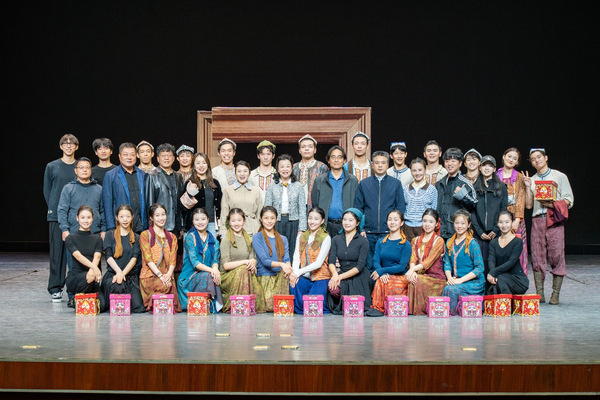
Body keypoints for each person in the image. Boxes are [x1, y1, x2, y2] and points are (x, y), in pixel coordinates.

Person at [524, 148, 574, 305]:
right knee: (537, 256)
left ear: (546, 158)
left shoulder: (559, 176)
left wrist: (553, 204)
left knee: (557, 255)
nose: (536, 160)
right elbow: (529, 205)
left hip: (554, 220)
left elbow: (569, 200)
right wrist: (527, 187)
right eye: (533, 159)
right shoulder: (532, 179)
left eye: (539, 157)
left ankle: (555, 293)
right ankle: (540, 293)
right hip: (537, 219)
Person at [57, 157, 105, 307]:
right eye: (81, 167)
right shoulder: (68, 188)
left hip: (94, 233)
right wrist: (64, 229)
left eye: (87, 167)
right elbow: (62, 210)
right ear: (76, 170)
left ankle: (92, 294)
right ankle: (73, 297)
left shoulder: (98, 189)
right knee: (74, 266)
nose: (84, 170)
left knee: (95, 264)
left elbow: (102, 210)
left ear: (91, 170)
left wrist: (103, 229)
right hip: (74, 232)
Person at [354, 151, 405, 272]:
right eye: (377, 163)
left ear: (388, 164)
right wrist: (361, 229)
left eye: (383, 162)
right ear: (372, 165)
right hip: (368, 233)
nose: (380, 165)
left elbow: (400, 208)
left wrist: (396, 229)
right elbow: (358, 209)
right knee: (369, 265)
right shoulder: (364, 184)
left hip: (389, 232)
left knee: (388, 264)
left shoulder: (396, 184)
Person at [44, 133, 78, 303]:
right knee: (57, 254)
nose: (68, 145)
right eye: (65, 143)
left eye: (72, 143)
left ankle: (76, 287)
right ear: (61, 146)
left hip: (76, 217)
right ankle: (55, 288)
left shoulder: (80, 166)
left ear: (76, 147)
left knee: (76, 254)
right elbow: (47, 190)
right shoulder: (52, 166)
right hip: (57, 216)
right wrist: (54, 210)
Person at [326, 208, 372, 315]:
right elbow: (331, 261)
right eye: (345, 219)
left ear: (358, 223)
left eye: (350, 220)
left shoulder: (363, 241)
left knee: (355, 301)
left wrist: (339, 277)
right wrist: (334, 274)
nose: (347, 223)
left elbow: (360, 266)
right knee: (333, 289)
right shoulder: (336, 239)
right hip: (342, 272)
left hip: (358, 275)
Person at [219, 208, 266, 313]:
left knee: (246, 270)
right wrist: (245, 262)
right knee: (243, 269)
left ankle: (248, 305)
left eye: (239, 220)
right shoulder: (226, 240)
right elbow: (226, 265)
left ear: (244, 221)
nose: (236, 223)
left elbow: (253, 258)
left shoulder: (248, 238)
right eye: (233, 221)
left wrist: (253, 262)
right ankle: (240, 305)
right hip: (227, 275)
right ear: (229, 222)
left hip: (245, 272)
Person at [471, 155, 508, 288]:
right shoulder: (474, 187)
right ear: (480, 168)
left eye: (490, 166)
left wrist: (496, 229)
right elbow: (472, 211)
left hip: (496, 233)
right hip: (479, 233)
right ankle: (481, 292)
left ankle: (495, 292)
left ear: (494, 169)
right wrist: (479, 231)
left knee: (495, 262)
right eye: (484, 165)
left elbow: (503, 210)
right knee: (480, 263)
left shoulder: (501, 187)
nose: (487, 168)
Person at [367, 210, 412, 317]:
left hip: (399, 276)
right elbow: (375, 261)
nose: (392, 222)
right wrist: (382, 273)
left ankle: (378, 307)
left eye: (395, 220)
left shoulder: (406, 244)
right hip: (383, 275)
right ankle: (377, 306)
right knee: (374, 279)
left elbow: (401, 267)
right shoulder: (380, 242)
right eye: (390, 219)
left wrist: (382, 271)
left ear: (401, 223)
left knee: (382, 281)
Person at [101, 204, 145, 313]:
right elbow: (108, 256)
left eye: (127, 216)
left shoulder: (136, 237)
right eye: (121, 217)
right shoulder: (109, 234)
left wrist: (122, 274)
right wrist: (119, 272)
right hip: (113, 275)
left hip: (129, 276)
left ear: (132, 217)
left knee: (138, 307)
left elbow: (134, 259)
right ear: (117, 218)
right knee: (118, 286)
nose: (125, 220)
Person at [178, 208, 223, 313]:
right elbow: (195, 263)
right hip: (189, 278)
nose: (200, 222)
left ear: (208, 220)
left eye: (203, 219)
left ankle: (210, 303)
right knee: (209, 276)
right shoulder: (190, 238)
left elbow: (215, 259)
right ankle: (212, 304)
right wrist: (212, 271)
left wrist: (215, 269)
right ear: (193, 221)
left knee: (212, 275)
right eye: (197, 219)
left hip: (207, 274)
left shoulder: (213, 240)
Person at [139, 203, 182, 313]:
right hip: (150, 275)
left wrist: (168, 275)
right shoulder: (145, 235)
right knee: (163, 286)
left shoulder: (172, 237)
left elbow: (173, 259)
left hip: (167, 276)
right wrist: (160, 275)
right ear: (151, 217)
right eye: (157, 215)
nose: (161, 218)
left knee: (167, 285)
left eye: (163, 214)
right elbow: (148, 259)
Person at [288, 207, 332, 314]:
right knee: (294, 284)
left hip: (320, 277)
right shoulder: (301, 236)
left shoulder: (326, 238)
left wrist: (298, 272)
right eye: (310, 218)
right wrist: (294, 274)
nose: (312, 222)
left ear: (322, 221)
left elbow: (318, 263)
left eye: (316, 219)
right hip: (305, 276)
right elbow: (296, 257)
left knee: (314, 303)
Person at [441, 209, 485, 315]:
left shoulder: (472, 244)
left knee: (451, 290)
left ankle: (453, 314)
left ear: (469, 224)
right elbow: (447, 262)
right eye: (457, 223)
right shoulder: (450, 242)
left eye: (463, 223)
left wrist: (460, 280)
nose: (459, 226)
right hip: (457, 280)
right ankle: (449, 313)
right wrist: (450, 278)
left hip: (473, 282)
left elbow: (480, 268)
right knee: (447, 288)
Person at [264, 154, 306, 258]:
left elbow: (302, 209)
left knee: (292, 250)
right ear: (277, 169)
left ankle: (290, 268)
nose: (285, 169)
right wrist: (267, 224)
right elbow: (267, 207)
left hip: (293, 222)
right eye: (282, 166)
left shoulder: (298, 186)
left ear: (292, 168)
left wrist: (301, 229)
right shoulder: (272, 186)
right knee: (276, 249)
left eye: (288, 166)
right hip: (276, 222)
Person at [311, 145, 359, 237]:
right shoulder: (320, 180)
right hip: (325, 225)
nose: (336, 160)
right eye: (333, 157)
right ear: (328, 160)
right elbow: (315, 204)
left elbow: (357, 204)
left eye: (339, 157)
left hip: (346, 225)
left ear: (344, 160)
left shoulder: (352, 180)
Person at [406, 209, 447, 315]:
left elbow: (428, 262)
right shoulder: (415, 240)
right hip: (419, 274)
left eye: (431, 222)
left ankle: (419, 312)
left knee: (417, 280)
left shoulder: (439, 241)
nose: (427, 224)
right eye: (424, 221)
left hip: (435, 278)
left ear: (436, 224)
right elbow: (413, 258)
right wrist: (412, 271)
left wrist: (412, 270)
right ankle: (411, 312)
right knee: (412, 279)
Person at [64, 205, 104, 309]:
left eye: (88, 217)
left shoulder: (97, 239)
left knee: (102, 305)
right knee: (87, 278)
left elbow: (97, 257)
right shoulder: (70, 238)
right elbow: (78, 256)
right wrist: (94, 268)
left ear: (92, 218)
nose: (86, 220)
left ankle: (84, 298)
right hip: (76, 278)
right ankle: (76, 298)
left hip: (92, 277)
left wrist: (91, 270)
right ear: (77, 218)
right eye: (82, 217)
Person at [252, 206, 292, 312]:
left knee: (282, 306)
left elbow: (287, 259)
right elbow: (264, 261)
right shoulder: (257, 237)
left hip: (280, 276)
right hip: (265, 276)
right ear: (261, 219)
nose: (269, 221)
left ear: (276, 219)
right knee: (270, 306)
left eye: (272, 218)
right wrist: (282, 264)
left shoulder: (283, 239)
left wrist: (288, 268)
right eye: (266, 218)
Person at [103, 142, 147, 233]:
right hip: (120, 226)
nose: (129, 157)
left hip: (141, 225)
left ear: (136, 156)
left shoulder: (143, 175)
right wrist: (111, 228)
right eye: (125, 154)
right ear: (119, 156)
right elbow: (107, 204)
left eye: (132, 154)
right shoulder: (111, 175)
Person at [497, 147, 528, 274]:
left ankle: (519, 277)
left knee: (517, 249)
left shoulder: (519, 177)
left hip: (515, 218)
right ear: (504, 156)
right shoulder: (495, 175)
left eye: (514, 158)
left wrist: (517, 219)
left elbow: (521, 198)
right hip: (499, 218)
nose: (511, 159)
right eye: (509, 156)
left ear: (517, 162)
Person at [435, 147, 478, 240]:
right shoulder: (439, 184)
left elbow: (474, 205)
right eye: (447, 161)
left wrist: (463, 195)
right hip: (440, 232)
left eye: (453, 161)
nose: (449, 164)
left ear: (460, 163)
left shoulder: (465, 183)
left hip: (457, 232)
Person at [179, 152, 222, 239]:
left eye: (204, 163)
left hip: (211, 224)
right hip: (192, 225)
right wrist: (190, 192)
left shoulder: (215, 183)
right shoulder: (189, 183)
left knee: (211, 247)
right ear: (194, 166)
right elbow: (182, 207)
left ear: (208, 165)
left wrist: (220, 226)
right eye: (198, 163)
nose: (201, 166)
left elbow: (220, 205)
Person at [487, 211, 529, 295]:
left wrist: (492, 273)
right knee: (493, 283)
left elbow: (511, 262)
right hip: (499, 277)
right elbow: (491, 260)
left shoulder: (517, 242)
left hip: (517, 280)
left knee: (500, 279)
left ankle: (506, 302)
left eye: (507, 222)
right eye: (501, 222)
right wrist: (492, 274)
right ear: (497, 224)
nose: (504, 225)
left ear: (512, 223)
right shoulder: (493, 242)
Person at [145, 143, 183, 235]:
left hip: (175, 225)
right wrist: (151, 225)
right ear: (158, 158)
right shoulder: (152, 175)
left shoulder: (178, 176)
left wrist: (181, 225)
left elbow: (180, 202)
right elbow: (149, 202)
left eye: (169, 155)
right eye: (163, 156)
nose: (166, 158)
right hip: (159, 224)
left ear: (173, 158)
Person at [219, 161, 263, 236]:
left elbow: (259, 213)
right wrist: (223, 231)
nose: (242, 174)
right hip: (234, 228)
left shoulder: (256, 191)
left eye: (245, 171)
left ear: (249, 173)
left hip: (253, 229)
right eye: (239, 171)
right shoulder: (228, 190)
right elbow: (224, 213)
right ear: (235, 173)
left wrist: (260, 229)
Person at [402, 158, 438, 241]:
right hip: (407, 227)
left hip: (424, 226)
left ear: (425, 170)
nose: (417, 173)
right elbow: (403, 207)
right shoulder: (406, 189)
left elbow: (434, 209)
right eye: (414, 170)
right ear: (411, 172)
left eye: (420, 170)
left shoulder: (432, 189)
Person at [292, 134, 329, 209]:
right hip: (296, 208)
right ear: (299, 150)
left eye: (310, 146)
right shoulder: (293, 167)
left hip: (316, 208)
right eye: (303, 147)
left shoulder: (322, 167)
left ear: (315, 150)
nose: (306, 149)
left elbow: (326, 191)